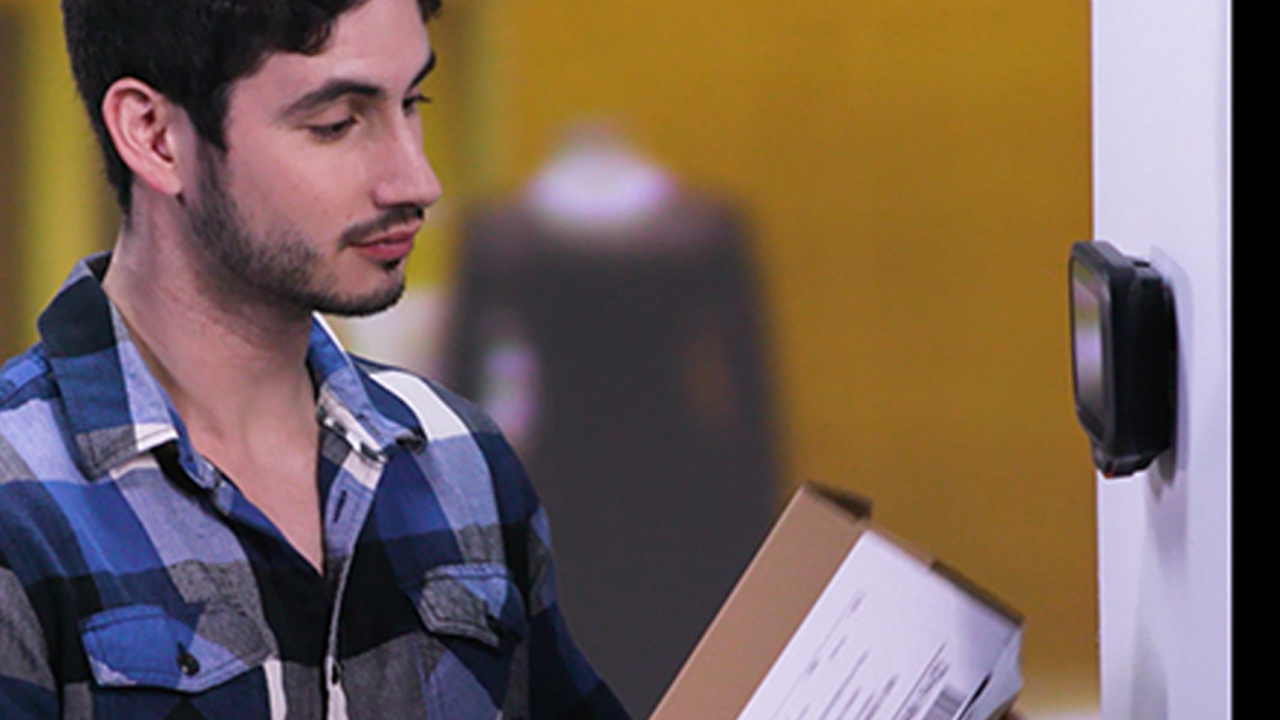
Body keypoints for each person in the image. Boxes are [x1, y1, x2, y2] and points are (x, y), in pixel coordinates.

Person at [0, 0, 630, 718]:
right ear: (155, 136)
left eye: (413, 102)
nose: (416, 181)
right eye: (336, 124)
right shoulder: (17, 500)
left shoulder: (462, 457)